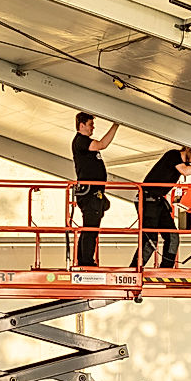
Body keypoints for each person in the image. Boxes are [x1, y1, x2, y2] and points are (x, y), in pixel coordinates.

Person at [131, 147, 191, 268]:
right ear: (188, 149)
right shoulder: (173, 155)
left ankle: (166, 269)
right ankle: (134, 269)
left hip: (158, 201)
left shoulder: (183, 165)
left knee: (173, 237)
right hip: (148, 200)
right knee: (150, 240)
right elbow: (186, 171)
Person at [71, 112, 119, 266]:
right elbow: (102, 145)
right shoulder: (81, 141)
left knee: (90, 226)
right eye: (91, 124)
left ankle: (83, 259)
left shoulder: (84, 142)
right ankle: (85, 261)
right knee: (91, 228)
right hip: (90, 192)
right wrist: (115, 125)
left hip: (94, 191)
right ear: (82, 125)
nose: (93, 127)